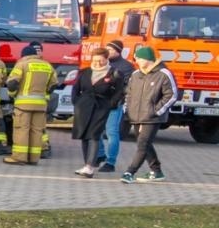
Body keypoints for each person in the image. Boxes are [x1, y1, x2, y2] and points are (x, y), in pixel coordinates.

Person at [120, 45, 179, 183]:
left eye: (139, 58)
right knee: (144, 144)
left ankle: (129, 172)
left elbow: (172, 95)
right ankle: (156, 171)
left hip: (153, 117)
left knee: (143, 143)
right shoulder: (136, 74)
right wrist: (127, 109)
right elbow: (129, 93)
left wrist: (156, 111)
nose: (137, 61)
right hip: (135, 116)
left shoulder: (164, 73)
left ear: (148, 59)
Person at [70, 49, 123, 177]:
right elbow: (76, 88)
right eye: (95, 60)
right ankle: (86, 164)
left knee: (94, 135)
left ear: (107, 59)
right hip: (84, 107)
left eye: (101, 61)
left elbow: (120, 91)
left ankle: (90, 166)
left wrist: (111, 104)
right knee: (84, 134)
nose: (97, 63)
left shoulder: (114, 73)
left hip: (101, 107)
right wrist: (76, 101)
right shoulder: (85, 72)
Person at [4, 42, 55, 165]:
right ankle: (33, 158)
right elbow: (53, 85)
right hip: (41, 105)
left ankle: (19, 157)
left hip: (23, 105)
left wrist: (12, 94)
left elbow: (12, 84)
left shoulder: (22, 64)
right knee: (37, 131)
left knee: (22, 130)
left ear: (23, 55)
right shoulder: (47, 66)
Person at [97, 39, 135, 171]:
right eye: (107, 49)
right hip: (100, 103)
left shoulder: (126, 66)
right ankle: (100, 154)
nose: (108, 52)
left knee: (111, 132)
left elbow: (127, 86)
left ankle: (110, 162)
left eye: (111, 50)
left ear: (118, 51)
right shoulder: (103, 63)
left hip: (114, 105)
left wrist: (117, 98)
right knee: (96, 131)